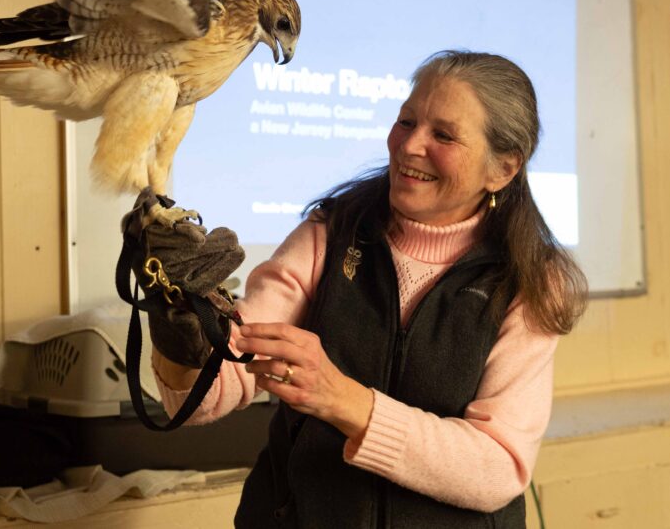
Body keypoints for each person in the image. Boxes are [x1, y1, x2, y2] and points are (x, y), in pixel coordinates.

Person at [152, 50, 588, 528]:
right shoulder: (327, 235)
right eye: (406, 121)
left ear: (502, 169)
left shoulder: (531, 281)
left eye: (442, 134)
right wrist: (176, 320)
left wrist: (343, 400)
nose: (409, 146)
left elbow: (497, 467)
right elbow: (205, 395)